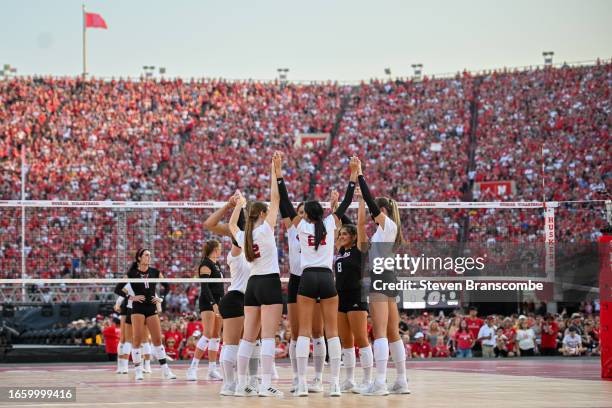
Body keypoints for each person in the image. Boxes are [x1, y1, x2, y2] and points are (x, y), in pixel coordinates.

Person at [277, 153, 358, 397]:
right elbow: (345, 203)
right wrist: (353, 176)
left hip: (307, 278)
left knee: (303, 332)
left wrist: (279, 173)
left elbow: (285, 202)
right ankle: (333, 383)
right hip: (326, 278)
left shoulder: (300, 225)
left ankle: (301, 382)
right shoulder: (331, 224)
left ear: (306, 215)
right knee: (331, 333)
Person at [228, 155, 284, 398]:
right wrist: (275, 170)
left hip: (252, 285)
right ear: (262, 213)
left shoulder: (243, 235)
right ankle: (264, 385)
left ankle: (241, 385)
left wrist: (238, 205)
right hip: (269, 282)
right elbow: (276, 197)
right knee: (268, 337)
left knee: (248, 337)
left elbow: (231, 226)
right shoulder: (264, 229)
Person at [355, 159, 410, 395]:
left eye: (374, 212)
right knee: (391, 332)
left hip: (381, 277)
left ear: (383, 212)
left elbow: (371, 201)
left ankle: (379, 382)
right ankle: (401, 381)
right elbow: (362, 242)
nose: (371, 215)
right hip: (388, 276)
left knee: (380, 332)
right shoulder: (383, 231)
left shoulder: (387, 225)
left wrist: (359, 175)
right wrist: (359, 204)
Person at [200, 196, 251, 395]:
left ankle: (241, 382)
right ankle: (237, 383)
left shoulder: (255, 234)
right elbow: (209, 224)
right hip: (240, 297)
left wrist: (236, 207)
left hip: (247, 296)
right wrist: (231, 206)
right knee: (240, 342)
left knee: (245, 342)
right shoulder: (239, 235)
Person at [280, 200, 327, 393]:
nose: (301, 215)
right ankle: (297, 378)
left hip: (313, 278)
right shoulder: (293, 229)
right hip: (296, 280)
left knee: (317, 331)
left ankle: (317, 378)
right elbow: (283, 204)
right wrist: (276, 175)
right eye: (298, 212)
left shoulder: (319, 230)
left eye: (304, 212)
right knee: (296, 332)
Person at [334, 190, 373, 393]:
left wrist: (360, 200)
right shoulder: (341, 251)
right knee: (346, 341)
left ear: (354, 237)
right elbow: (337, 221)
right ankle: (349, 379)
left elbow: (359, 225)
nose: (341, 236)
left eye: (344, 234)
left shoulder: (360, 249)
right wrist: (334, 206)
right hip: (340, 296)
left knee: (360, 338)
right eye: (340, 234)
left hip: (356, 294)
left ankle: (368, 380)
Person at [126, 248, 176, 380]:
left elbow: (167, 286)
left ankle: (165, 370)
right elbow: (118, 288)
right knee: (136, 339)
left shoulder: (155, 272)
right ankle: (138, 371)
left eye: (149, 255)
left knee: (158, 339)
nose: (149, 257)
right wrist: (131, 298)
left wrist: (161, 299)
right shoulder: (132, 273)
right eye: (146, 255)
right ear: (139, 258)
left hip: (151, 307)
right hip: (137, 308)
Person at [187, 239, 225, 381]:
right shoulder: (205, 264)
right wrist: (213, 303)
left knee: (216, 336)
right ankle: (192, 368)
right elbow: (205, 287)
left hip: (219, 302)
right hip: (208, 302)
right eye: (219, 248)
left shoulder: (217, 264)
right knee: (208, 333)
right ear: (214, 249)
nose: (221, 250)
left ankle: (212, 369)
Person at [113, 282, 132, 374]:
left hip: (139, 309)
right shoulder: (130, 283)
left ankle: (143, 365)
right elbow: (122, 295)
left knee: (139, 339)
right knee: (124, 338)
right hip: (127, 309)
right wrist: (117, 304)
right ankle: (122, 366)